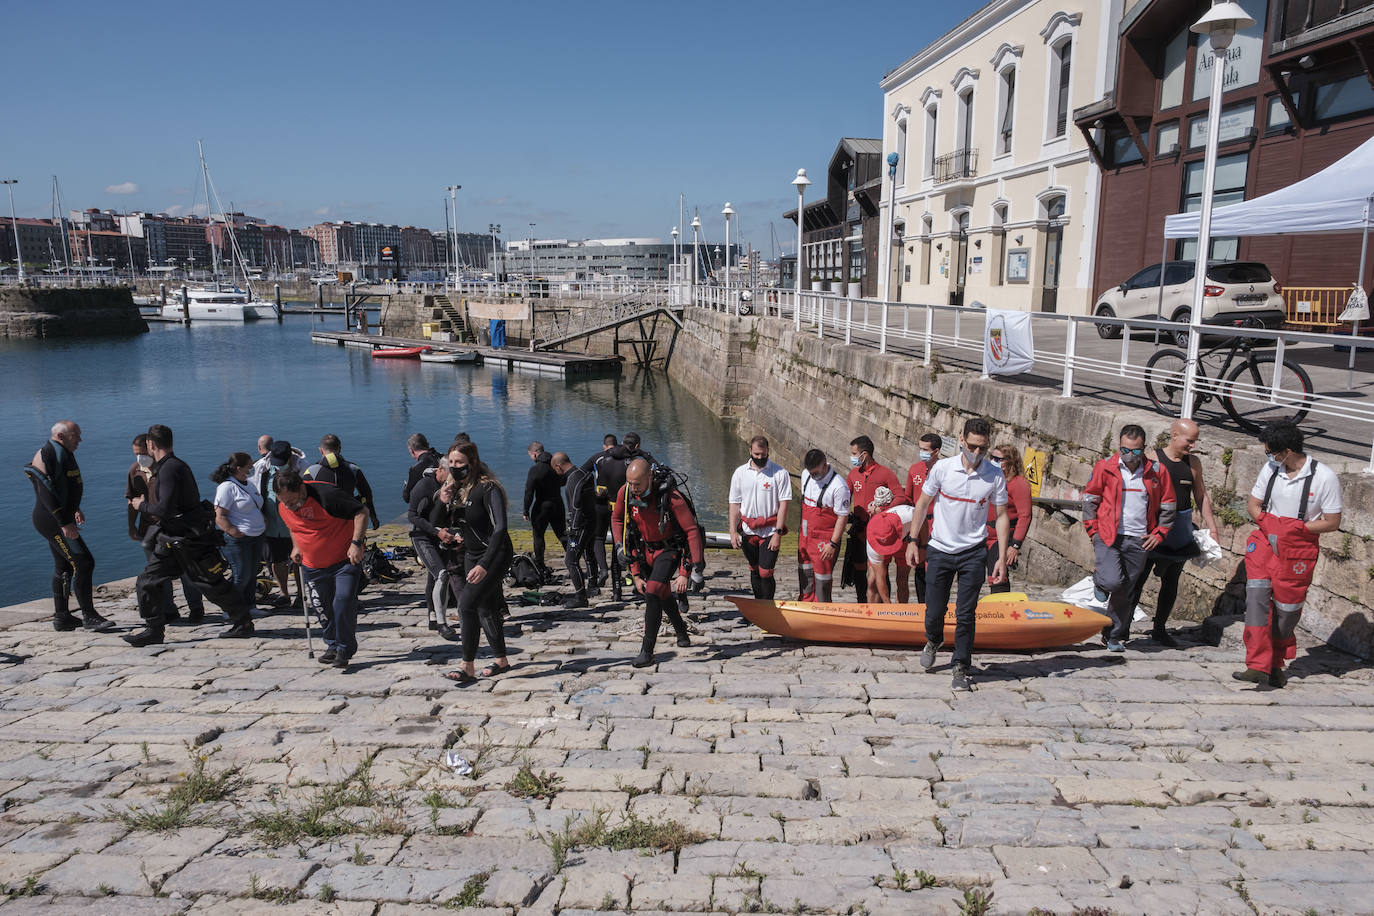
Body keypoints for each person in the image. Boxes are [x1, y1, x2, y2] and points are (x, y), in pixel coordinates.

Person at [124, 425, 254, 646]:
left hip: (185, 539)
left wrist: (141, 505)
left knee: (208, 582)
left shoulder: (168, 469)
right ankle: (154, 629)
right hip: (174, 537)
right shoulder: (174, 466)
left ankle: (243, 622)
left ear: (151, 445)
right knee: (148, 581)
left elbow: (164, 509)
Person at [905, 418, 1009, 691]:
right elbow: (922, 503)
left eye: (982, 448)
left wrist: (999, 557)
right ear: (961, 439)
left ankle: (961, 665)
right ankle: (933, 638)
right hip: (940, 548)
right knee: (934, 611)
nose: (976, 453)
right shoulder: (942, 469)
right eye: (972, 446)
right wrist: (913, 540)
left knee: (966, 614)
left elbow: (1001, 516)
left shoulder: (994, 475)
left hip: (973, 552)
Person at [1237, 422, 1342, 688]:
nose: (1269, 457)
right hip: (1264, 542)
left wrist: (1295, 529)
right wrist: (1270, 524)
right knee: (1257, 603)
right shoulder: (1271, 469)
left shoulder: (1324, 477)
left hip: (1298, 550)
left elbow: (1332, 521)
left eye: (1271, 452)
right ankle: (1256, 665)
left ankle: (1275, 663)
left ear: (1287, 450)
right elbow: (1253, 504)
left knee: (1287, 612)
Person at [1082, 424, 1177, 653]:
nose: (1129, 455)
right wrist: (1093, 530)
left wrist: (1160, 533)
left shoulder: (1157, 471)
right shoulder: (1106, 467)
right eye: (1125, 450)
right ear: (1119, 446)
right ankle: (1100, 580)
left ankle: (1113, 634)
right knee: (1113, 581)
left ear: (1144, 448)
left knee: (1126, 590)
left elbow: (1168, 504)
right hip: (1108, 534)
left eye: (1135, 451)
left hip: (1139, 539)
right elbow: (1089, 499)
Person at [1128, 420, 1221, 646]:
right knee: (1136, 579)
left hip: (1179, 530)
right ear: (1174, 435)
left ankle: (1159, 629)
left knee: (1171, 581)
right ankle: (1121, 628)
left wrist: (1212, 526)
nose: (1192, 445)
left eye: (1195, 441)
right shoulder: (1152, 459)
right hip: (1152, 530)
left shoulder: (1193, 463)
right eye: (1189, 441)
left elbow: (1201, 495)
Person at [612, 458, 704, 667]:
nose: (633, 488)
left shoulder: (670, 497)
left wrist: (691, 569)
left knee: (653, 591)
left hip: (668, 549)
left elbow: (691, 531)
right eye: (629, 483)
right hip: (645, 549)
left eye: (637, 484)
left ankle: (647, 651)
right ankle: (681, 633)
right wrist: (622, 552)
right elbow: (617, 520)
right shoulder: (625, 493)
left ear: (650, 478)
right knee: (662, 594)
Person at [275, 466, 370, 669]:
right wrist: (296, 547)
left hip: (344, 560)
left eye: (292, 501)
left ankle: (344, 649)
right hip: (312, 565)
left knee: (342, 602)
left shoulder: (327, 496)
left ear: (301, 488)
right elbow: (294, 527)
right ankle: (332, 645)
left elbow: (362, 512)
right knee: (322, 607)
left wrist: (356, 543)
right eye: (284, 502)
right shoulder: (283, 505)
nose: (289, 506)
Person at [25, 420, 114, 633]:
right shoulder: (47, 454)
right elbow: (46, 492)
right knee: (84, 562)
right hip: (51, 520)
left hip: (59, 517)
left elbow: (63, 485)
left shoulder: (62, 451)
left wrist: (75, 508)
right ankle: (89, 616)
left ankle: (62, 617)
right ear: (61, 436)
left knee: (64, 566)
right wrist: (64, 522)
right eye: (76, 436)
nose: (80, 440)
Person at [440, 442, 516, 685]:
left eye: (459, 463)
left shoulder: (488, 488)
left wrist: (484, 564)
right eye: (451, 463)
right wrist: (443, 501)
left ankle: (467, 666)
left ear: (471, 463)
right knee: (486, 607)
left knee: (466, 606)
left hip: (494, 556)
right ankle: (501, 660)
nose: (454, 467)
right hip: (471, 555)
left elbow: (501, 528)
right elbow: (441, 522)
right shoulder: (458, 490)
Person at [128, 433, 206, 624]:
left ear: (151, 448)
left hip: (175, 526)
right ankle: (168, 609)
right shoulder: (136, 471)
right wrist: (132, 526)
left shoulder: (168, 469)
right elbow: (132, 500)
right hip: (151, 528)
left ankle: (196, 608)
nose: (139, 458)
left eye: (141, 453)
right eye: (135, 454)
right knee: (158, 572)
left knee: (187, 570)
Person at [587, 432, 656, 601]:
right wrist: (645, 455)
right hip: (628, 509)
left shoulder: (602, 458)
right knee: (634, 545)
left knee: (616, 547)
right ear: (637, 446)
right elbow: (654, 470)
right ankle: (640, 582)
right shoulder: (634, 463)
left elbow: (582, 475)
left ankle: (615, 590)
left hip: (604, 506)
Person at [844, 435, 907, 602]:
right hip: (859, 529)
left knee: (880, 572)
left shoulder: (885, 474)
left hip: (879, 531)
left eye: (854, 453)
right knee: (859, 569)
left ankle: (882, 608)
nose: (852, 457)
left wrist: (882, 509)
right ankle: (861, 604)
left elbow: (900, 497)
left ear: (864, 454)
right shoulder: (853, 475)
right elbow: (843, 498)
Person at [728, 436, 791, 599]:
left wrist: (778, 533)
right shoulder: (740, 473)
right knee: (754, 569)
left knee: (766, 572)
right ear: (750, 451)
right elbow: (734, 504)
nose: (759, 458)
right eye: (756, 454)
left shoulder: (780, 473)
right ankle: (758, 605)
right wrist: (733, 532)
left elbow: (784, 504)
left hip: (770, 531)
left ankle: (768, 607)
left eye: (763, 455)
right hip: (748, 530)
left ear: (768, 451)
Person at [211, 452, 266, 615]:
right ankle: (231, 608)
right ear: (239, 468)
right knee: (241, 575)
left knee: (252, 572)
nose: (252, 468)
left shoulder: (248, 484)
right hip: (239, 540)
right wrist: (234, 531)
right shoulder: (227, 487)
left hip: (256, 536)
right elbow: (219, 516)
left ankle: (250, 606)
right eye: (249, 465)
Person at [257, 440, 307, 608]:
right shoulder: (264, 469)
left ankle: (301, 595)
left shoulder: (300, 469)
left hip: (294, 525)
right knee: (276, 560)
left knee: (298, 561)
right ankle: (284, 593)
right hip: (271, 525)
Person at [797, 449, 851, 603]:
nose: (812, 476)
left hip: (824, 541)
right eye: (810, 472)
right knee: (804, 572)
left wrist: (833, 544)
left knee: (822, 579)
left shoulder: (839, 486)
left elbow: (842, 517)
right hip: (805, 537)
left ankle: (822, 608)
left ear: (824, 464)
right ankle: (805, 604)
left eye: (815, 472)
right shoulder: (806, 475)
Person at [408, 457, 450, 630]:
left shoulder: (450, 485)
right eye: (449, 474)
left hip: (440, 536)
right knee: (442, 574)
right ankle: (442, 623)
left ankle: (432, 616)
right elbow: (412, 516)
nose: (452, 480)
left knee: (433, 577)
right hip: (421, 536)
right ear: (440, 469)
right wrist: (436, 531)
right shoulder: (424, 485)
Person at [306, 434, 379, 529]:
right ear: (339, 449)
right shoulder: (353, 469)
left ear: (321, 450)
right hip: (347, 518)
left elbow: (304, 497)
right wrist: (373, 517)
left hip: (323, 521)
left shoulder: (312, 471)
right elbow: (367, 495)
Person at [986, 445, 1032, 595]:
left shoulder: (1018, 483)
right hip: (984, 534)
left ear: (1010, 461)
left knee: (998, 575)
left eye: (998, 459)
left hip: (1002, 537)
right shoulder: (991, 477)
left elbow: (1025, 516)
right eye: (992, 457)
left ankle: (1001, 610)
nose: (993, 461)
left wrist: (1015, 545)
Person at [556, 451, 599, 609]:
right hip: (591, 521)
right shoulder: (583, 473)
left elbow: (575, 506)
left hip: (580, 526)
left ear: (558, 466)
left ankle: (581, 597)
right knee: (589, 554)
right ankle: (593, 586)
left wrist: (573, 529)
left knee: (571, 561)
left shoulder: (572, 481)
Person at [904, 433, 943, 602]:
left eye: (925, 450)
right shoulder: (914, 469)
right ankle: (922, 603)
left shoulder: (944, 470)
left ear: (936, 451)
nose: (922, 452)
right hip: (919, 522)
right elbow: (908, 497)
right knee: (918, 563)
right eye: (920, 448)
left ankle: (935, 602)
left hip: (937, 523)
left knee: (933, 563)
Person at [523, 440, 567, 577]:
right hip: (558, 503)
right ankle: (573, 559)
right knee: (562, 534)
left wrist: (525, 510)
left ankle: (540, 565)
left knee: (538, 535)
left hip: (542, 506)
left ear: (535, 454)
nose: (531, 458)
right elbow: (564, 480)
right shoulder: (556, 464)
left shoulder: (535, 470)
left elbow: (529, 492)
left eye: (530, 455)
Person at [864, 487, 914, 604]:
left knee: (902, 579)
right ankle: (874, 615)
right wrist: (888, 606)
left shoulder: (907, 513)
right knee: (873, 579)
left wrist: (917, 543)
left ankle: (902, 613)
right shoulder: (871, 539)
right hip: (879, 538)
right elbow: (880, 576)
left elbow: (922, 520)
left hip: (903, 537)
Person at [403, 433, 441, 505]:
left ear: (411, 451)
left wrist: (406, 486)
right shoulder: (443, 458)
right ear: (428, 445)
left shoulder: (416, 469)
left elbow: (407, 497)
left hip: (430, 508)